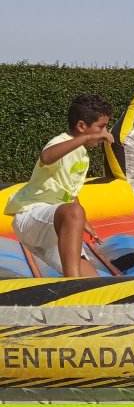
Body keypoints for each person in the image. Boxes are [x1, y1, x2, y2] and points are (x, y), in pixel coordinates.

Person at [5, 94, 113, 277]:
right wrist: (84, 139)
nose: (105, 132)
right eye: (101, 127)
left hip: (53, 226)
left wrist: (83, 222)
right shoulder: (61, 141)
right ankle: (72, 284)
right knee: (74, 212)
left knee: (92, 280)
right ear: (81, 126)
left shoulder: (82, 155)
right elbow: (46, 157)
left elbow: (70, 192)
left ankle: (79, 289)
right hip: (30, 214)